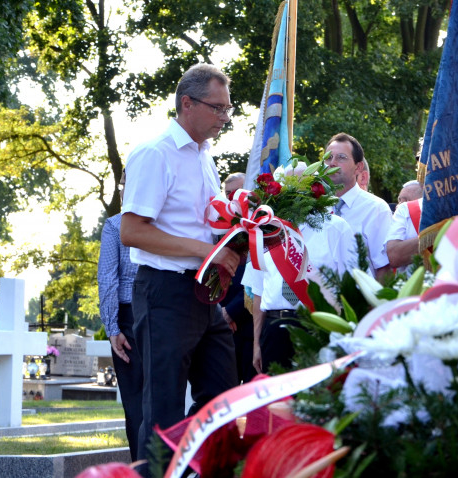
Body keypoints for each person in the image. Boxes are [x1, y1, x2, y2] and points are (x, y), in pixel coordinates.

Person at [121, 63, 240, 469]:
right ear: (187, 103)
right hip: (164, 293)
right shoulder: (155, 154)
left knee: (222, 401)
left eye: (228, 109)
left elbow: (205, 227)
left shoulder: (206, 156)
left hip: (204, 294)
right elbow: (132, 232)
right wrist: (207, 252)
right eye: (218, 108)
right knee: (164, 410)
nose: (225, 118)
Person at [246, 215, 357, 372]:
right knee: (280, 394)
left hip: (320, 327)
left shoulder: (335, 227)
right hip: (275, 330)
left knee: (318, 393)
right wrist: (256, 344)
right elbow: (258, 292)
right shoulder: (265, 229)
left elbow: (352, 285)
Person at [97, 171, 142, 461]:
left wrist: (112, 326)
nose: (124, 191)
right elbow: (107, 278)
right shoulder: (115, 225)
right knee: (138, 402)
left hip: (142, 314)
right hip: (130, 317)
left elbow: (108, 278)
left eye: (130, 185)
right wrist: (113, 326)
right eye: (123, 185)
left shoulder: (118, 225)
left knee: (143, 400)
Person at [324, 133, 393, 278]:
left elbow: (384, 269)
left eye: (341, 157)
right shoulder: (314, 208)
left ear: (358, 167)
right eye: (328, 158)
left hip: (358, 298)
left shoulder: (376, 209)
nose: (332, 163)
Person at [218, 173, 256, 384]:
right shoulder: (217, 230)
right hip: (223, 331)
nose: (233, 198)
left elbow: (260, 276)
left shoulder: (264, 229)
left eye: (238, 192)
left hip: (250, 326)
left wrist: (231, 312)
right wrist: (220, 313)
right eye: (228, 194)